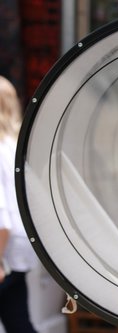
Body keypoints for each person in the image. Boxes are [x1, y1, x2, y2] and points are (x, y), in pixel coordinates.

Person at [0, 76, 38, 332]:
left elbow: (2, 216)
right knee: (18, 320)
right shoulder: (15, 147)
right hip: (18, 248)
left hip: (4, 250)